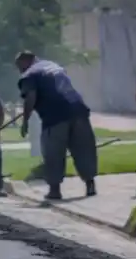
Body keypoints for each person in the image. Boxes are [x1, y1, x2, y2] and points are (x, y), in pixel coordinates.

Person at [16, 51, 97, 200]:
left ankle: (55, 190)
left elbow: (30, 98)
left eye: (18, 66)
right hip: (79, 110)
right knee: (84, 149)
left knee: (53, 153)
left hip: (55, 116)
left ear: (24, 62)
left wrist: (25, 121)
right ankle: (90, 185)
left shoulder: (29, 75)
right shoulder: (53, 66)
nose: (19, 70)